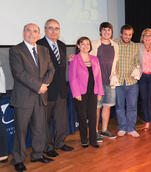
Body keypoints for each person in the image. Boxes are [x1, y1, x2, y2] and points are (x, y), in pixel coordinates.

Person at [9, 23, 55, 172]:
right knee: (21, 131)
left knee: (39, 128)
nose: (32, 33)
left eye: (35, 31)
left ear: (39, 34)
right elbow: (19, 73)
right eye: (28, 30)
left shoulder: (44, 50)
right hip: (24, 98)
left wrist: (45, 84)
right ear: (23, 33)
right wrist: (38, 86)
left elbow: (51, 69)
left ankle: (37, 154)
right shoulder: (16, 50)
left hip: (41, 96)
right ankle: (18, 160)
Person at [37, 19, 73, 158]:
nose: (53, 31)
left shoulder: (62, 45)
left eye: (56, 28)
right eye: (50, 28)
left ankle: (60, 143)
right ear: (45, 30)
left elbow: (61, 68)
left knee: (61, 119)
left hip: (61, 90)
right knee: (44, 121)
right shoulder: (39, 44)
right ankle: (48, 146)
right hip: (46, 90)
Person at [69, 37, 104, 148]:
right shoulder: (74, 59)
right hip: (80, 93)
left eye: (87, 44)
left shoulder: (95, 59)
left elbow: (98, 77)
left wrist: (99, 92)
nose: (85, 46)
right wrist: (76, 93)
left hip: (93, 92)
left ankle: (93, 140)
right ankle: (84, 139)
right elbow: (72, 78)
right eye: (82, 44)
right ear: (78, 46)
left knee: (93, 116)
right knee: (82, 116)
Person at [91, 22, 119, 141]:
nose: (106, 32)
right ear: (100, 31)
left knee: (107, 107)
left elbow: (115, 62)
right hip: (97, 82)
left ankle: (104, 130)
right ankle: (95, 131)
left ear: (111, 32)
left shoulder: (115, 45)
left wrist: (115, 74)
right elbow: (86, 58)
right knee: (97, 107)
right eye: (104, 30)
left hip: (110, 82)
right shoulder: (94, 44)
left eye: (109, 30)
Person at [115, 24, 140, 137]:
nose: (127, 36)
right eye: (125, 34)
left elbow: (137, 62)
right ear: (121, 34)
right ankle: (122, 127)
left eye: (130, 35)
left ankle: (131, 128)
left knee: (132, 106)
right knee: (120, 106)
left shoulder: (135, 46)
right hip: (118, 81)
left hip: (132, 82)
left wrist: (137, 69)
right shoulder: (115, 45)